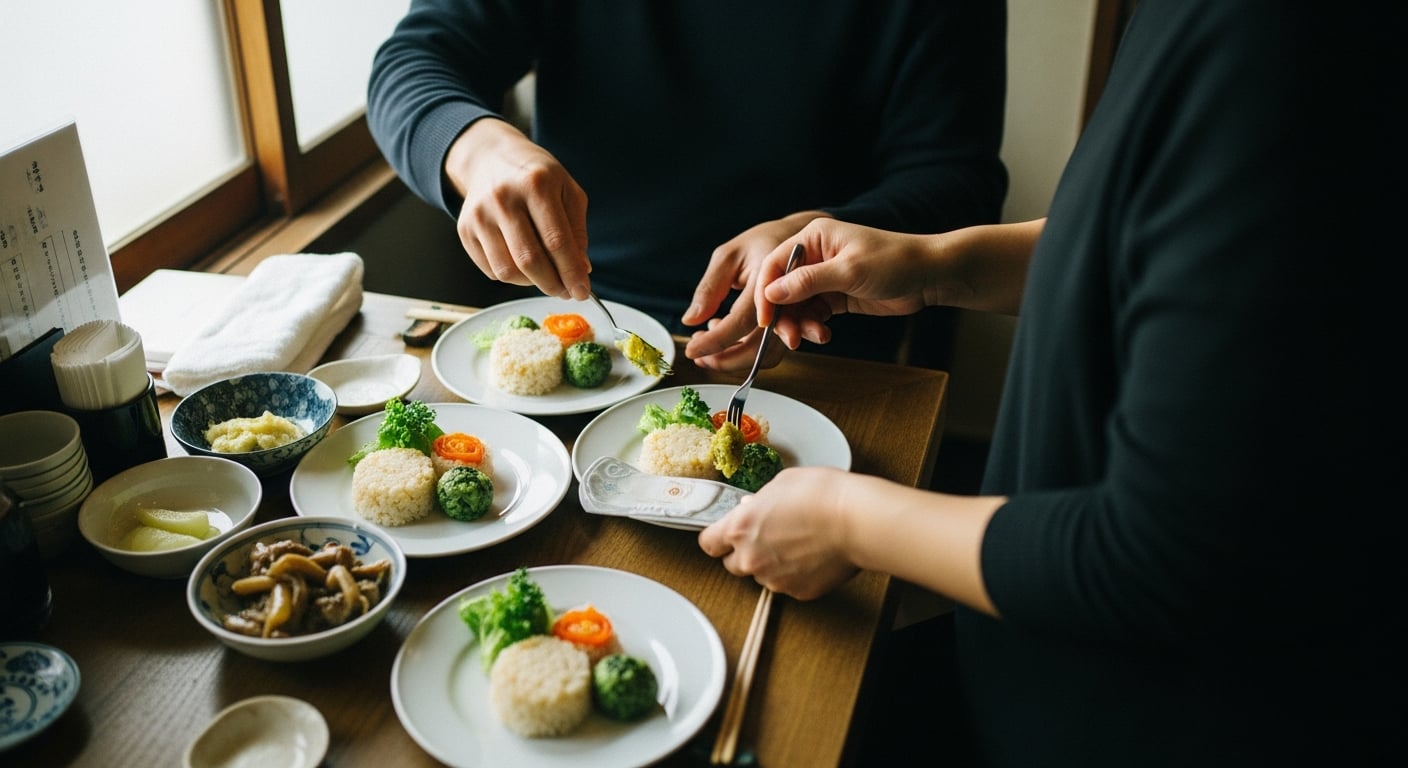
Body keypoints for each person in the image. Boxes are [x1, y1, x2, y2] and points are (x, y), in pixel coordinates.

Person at [699, 1, 1406, 765]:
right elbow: (1156, 244)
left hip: (1151, 718)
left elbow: (1159, 556)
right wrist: (936, 266)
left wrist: (848, 521)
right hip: (1025, 652)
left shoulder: (1279, 42)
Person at [366, 0, 1008, 373]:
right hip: (581, 321)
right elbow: (413, 60)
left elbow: (959, 178)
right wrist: (477, 149)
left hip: (819, 337)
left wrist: (817, 239)